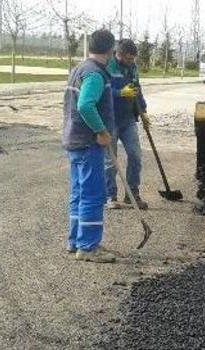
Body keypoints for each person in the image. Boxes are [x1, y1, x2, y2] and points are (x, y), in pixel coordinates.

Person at [62, 29, 117, 263]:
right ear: (110, 50)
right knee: (93, 195)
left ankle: (75, 241)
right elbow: (85, 105)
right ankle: (88, 247)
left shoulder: (80, 69)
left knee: (78, 193)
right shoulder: (95, 74)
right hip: (87, 143)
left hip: (74, 141)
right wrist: (102, 131)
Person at [105, 38, 152, 210]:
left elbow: (137, 89)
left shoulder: (132, 67)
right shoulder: (108, 66)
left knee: (135, 156)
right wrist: (120, 93)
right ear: (119, 54)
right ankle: (110, 196)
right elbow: (102, 91)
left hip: (128, 119)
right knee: (111, 161)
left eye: (134, 59)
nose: (132, 62)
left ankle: (132, 195)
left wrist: (144, 112)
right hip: (110, 120)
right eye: (129, 59)